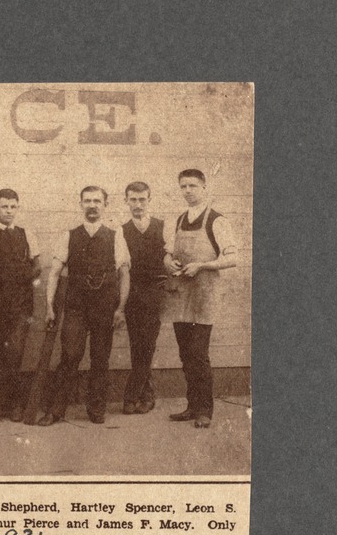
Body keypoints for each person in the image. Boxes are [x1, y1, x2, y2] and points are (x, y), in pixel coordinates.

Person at [38, 186, 130, 426]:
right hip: (77, 307)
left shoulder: (115, 235)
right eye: (88, 201)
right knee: (70, 355)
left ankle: (96, 408)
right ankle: (55, 410)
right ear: (81, 204)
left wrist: (120, 308)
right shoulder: (69, 236)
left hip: (105, 307)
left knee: (100, 358)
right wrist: (49, 306)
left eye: (97, 201)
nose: (92, 205)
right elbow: (55, 273)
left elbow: (124, 274)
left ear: (105, 205)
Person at [164, 169, 238, 429]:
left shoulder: (217, 220)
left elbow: (232, 258)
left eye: (193, 185)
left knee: (198, 353)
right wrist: (168, 261)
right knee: (185, 354)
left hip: (204, 296)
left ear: (204, 187)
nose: (188, 190)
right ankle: (192, 406)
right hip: (181, 296)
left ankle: (205, 410)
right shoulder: (180, 219)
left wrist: (202, 265)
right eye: (183, 186)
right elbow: (168, 253)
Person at [0, 188, 42, 423]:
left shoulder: (27, 234)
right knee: (1, 353)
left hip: (22, 305)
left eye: (12, 206)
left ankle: (4, 402)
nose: (8, 211)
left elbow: (37, 266)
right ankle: (10, 402)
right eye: (4, 206)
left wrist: (22, 275)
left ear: (17, 208)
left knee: (15, 352)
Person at [120, 182, 168, 415]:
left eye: (142, 200)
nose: (138, 205)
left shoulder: (162, 227)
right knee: (137, 344)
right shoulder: (121, 230)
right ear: (126, 201)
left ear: (149, 200)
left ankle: (134, 395)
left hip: (154, 292)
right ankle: (144, 394)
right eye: (133, 200)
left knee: (147, 344)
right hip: (131, 292)